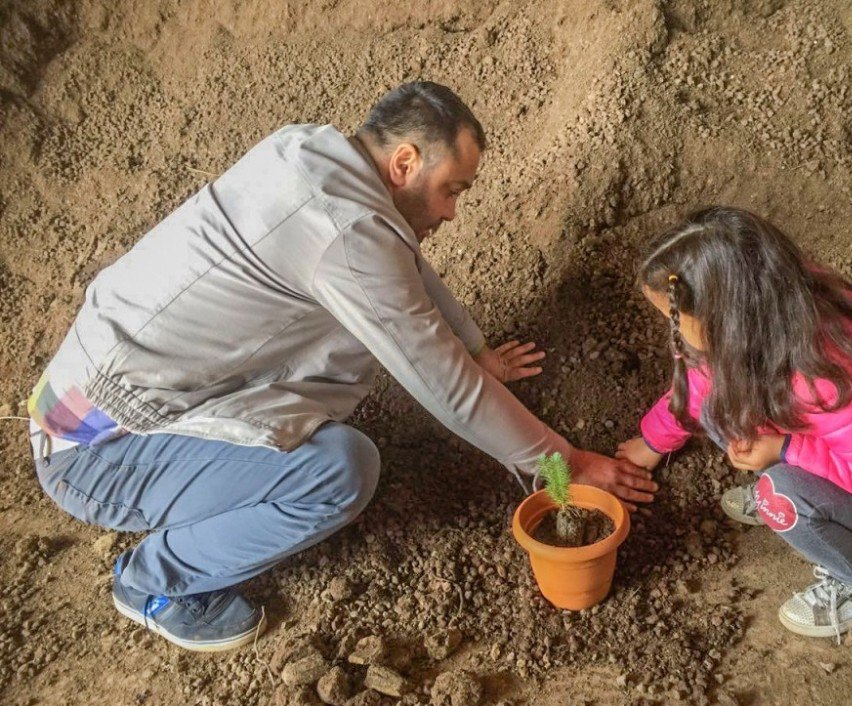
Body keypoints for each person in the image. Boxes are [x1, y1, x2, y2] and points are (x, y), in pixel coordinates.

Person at [27, 81, 657, 652]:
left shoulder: (310, 155)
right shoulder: (344, 229)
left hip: (79, 396)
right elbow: (445, 387)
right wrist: (561, 464)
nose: (451, 213)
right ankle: (154, 581)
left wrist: (475, 351)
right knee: (338, 470)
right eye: (451, 191)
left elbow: (399, 261)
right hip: (93, 453)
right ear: (405, 163)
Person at [616, 206, 852, 639]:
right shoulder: (767, 322)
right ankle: (803, 490)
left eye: (675, 320)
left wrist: (784, 452)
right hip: (849, 455)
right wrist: (653, 443)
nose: (672, 333)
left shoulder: (833, 384)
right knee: (717, 405)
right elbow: (699, 385)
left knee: (780, 497)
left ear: (728, 320)